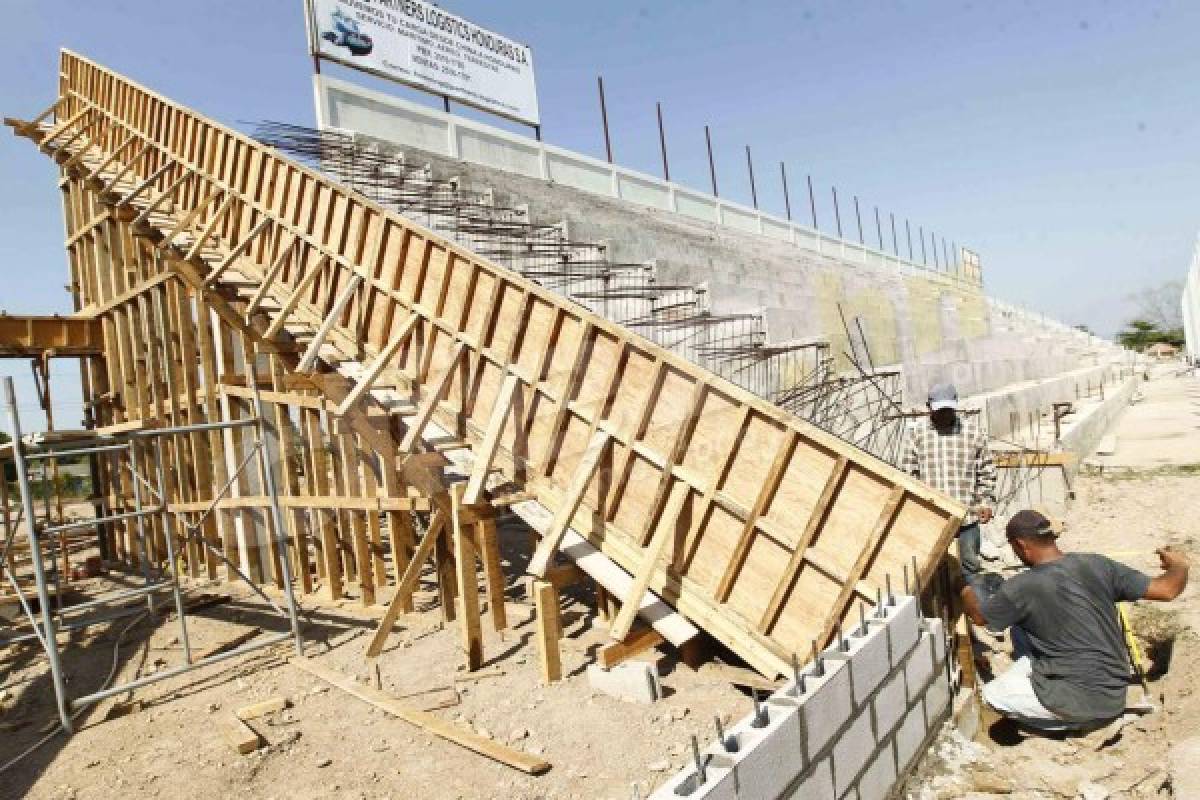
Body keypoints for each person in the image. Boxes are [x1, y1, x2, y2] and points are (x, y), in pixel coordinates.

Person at [960, 510, 1189, 731]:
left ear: (1020, 545)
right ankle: (1066, 703)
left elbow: (980, 617)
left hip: (1085, 702)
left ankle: (1077, 725)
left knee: (994, 695)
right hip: (1114, 692)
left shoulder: (1022, 586)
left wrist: (964, 589)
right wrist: (1179, 564)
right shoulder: (1097, 564)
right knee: (1020, 630)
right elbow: (1167, 590)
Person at [901, 382, 997, 578]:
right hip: (932, 517)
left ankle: (970, 606)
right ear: (929, 408)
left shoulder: (973, 433)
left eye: (948, 410)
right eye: (939, 411)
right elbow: (909, 472)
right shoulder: (917, 434)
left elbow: (986, 470)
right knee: (933, 569)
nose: (944, 415)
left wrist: (985, 502)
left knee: (970, 566)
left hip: (967, 516)